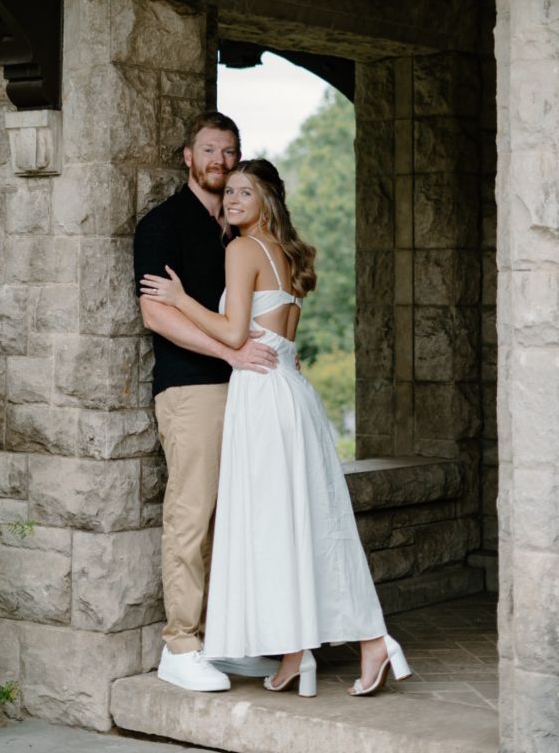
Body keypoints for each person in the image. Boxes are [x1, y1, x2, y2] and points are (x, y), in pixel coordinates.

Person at [140, 159, 412, 697]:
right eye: (229, 192)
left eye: (245, 192)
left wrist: (180, 299)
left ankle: (371, 639)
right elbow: (284, 340)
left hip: (262, 394)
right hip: (293, 391)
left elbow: (235, 333)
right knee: (305, 521)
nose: (232, 200)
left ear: (267, 200)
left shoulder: (242, 250)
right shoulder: (289, 254)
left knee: (271, 523)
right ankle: (294, 654)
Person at [133, 114, 280, 692]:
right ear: (188, 157)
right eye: (211, 150)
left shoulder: (241, 229)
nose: (221, 160)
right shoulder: (162, 225)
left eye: (230, 151)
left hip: (249, 388)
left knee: (235, 518)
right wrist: (230, 354)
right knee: (191, 516)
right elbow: (156, 314)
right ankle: (181, 646)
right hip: (192, 388)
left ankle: (226, 640)